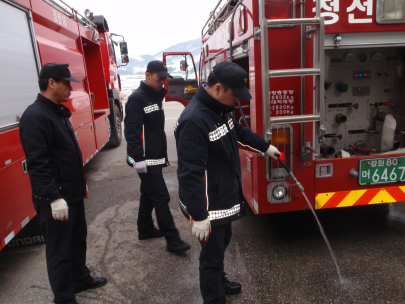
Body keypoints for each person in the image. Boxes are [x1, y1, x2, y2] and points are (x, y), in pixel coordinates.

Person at [175, 61, 281, 303]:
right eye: (235, 96)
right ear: (219, 88)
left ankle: (219, 281)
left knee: (222, 242)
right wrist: (199, 216)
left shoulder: (219, 111)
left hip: (221, 198)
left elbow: (238, 133)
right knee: (211, 258)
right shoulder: (194, 120)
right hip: (208, 206)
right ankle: (215, 297)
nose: (237, 102)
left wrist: (265, 147)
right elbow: (191, 174)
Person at [19, 63, 107, 304]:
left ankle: (79, 278)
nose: (70, 88)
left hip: (72, 194)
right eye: (66, 83)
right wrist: (53, 198)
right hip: (56, 199)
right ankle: (64, 298)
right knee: (60, 252)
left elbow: (67, 156)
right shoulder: (35, 116)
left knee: (78, 240)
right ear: (51, 83)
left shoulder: (56, 111)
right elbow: (39, 164)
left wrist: (80, 184)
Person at [124, 60, 190, 254]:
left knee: (148, 193)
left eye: (164, 78)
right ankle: (173, 240)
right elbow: (132, 131)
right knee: (161, 196)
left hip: (153, 157)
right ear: (147, 75)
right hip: (145, 159)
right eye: (159, 77)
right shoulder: (137, 98)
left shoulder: (153, 97)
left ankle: (144, 228)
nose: (162, 81)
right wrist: (138, 158)